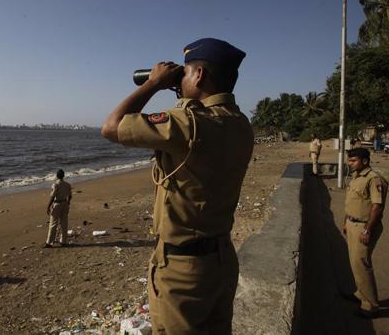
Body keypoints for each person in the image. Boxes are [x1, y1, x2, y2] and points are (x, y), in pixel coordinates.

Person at [101, 38, 253, 334]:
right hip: (221, 262)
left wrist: (154, 84)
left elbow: (111, 127)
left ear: (198, 75)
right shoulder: (240, 124)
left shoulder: (187, 124)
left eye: (184, 72)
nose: (178, 80)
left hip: (184, 271)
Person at [343, 148, 388, 318]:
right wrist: (346, 221)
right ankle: (360, 294)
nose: (350, 163)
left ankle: (370, 306)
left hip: (364, 226)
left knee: (362, 264)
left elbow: (377, 207)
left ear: (365, 161)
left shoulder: (373, 179)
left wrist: (367, 229)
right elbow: (353, 202)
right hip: (353, 224)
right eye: (349, 160)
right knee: (355, 264)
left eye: (353, 160)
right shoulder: (357, 177)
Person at [44, 169, 72, 248]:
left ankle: (49, 242)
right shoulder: (67, 184)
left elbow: (52, 197)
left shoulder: (55, 184)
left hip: (57, 203)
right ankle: (63, 241)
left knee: (53, 223)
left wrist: (48, 206)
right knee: (64, 223)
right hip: (65, 203)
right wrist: (68, 202)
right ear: (63, 176)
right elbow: (70, 196)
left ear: (57, 176)